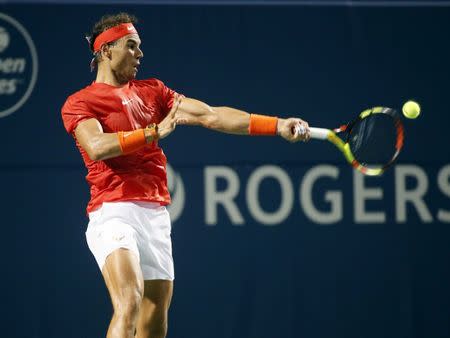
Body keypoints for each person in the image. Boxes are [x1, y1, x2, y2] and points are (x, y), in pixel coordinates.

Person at [61, 12, 310, 338]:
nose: (140, 54)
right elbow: (96, 146)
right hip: (113, 212)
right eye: (132, 46)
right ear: (106, 51)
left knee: (154, 321)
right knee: (129, 302)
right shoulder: (80, 102)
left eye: (140, 47)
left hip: (155, 215)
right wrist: (152, 133)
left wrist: (277, 125)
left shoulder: (153, 92)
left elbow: (211, 115)